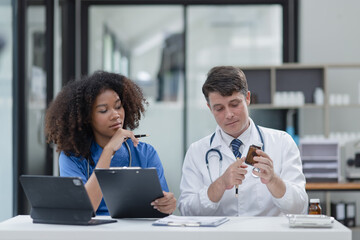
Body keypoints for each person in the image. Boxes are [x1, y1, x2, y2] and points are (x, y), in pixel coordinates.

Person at [178, 66, 308, 216]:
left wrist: (273, 180)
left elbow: (300, 207)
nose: (229, 114)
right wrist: (220, 184)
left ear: (247, 98)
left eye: (234, 104)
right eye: (219, 108)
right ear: (210, 108)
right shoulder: (197, 151)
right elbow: (187, 211)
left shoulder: (282, 142)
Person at [45, 71, 176, 216]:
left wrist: (168, 205)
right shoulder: (72, 157)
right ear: (86, 117)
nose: (115, 115)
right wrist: (108, 151)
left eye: (118, 106)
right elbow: (83, 210)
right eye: (103, 110)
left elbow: (162, 210)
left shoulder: (146, 153)